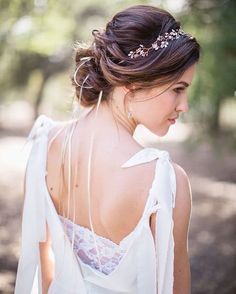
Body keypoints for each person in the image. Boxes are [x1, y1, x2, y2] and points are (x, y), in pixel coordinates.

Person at [14, 4, 200, 294]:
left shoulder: (44, 144)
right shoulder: (164, 181)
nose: (184, 105)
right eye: (178, 88)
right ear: (135, 82)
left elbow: (45, 267)